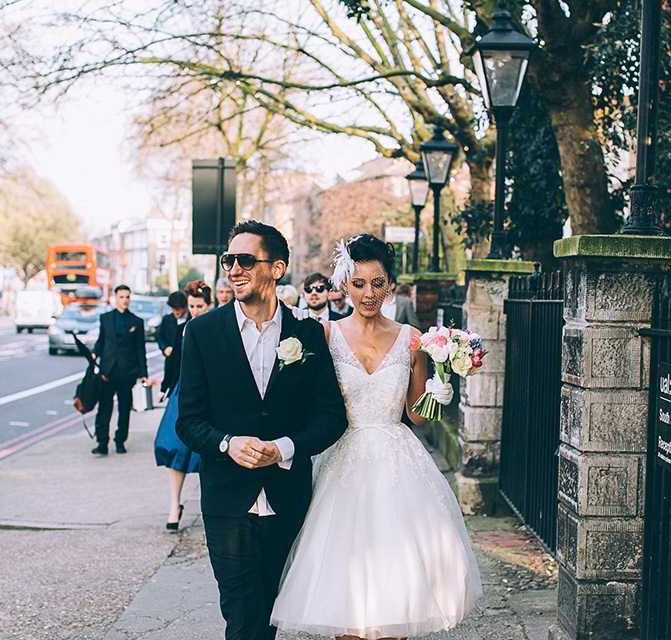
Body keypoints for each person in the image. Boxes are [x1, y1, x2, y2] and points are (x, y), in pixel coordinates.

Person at [271, 234, 481, 640]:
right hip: (343, 466)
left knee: (399, 596)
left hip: (399, 467)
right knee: (343, 599)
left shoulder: (412, 339)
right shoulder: (326, 336)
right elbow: (313, 405)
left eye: (378, 283)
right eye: (360, 283)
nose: (369, 293)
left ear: (391, 286)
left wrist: (439, 392)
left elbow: (416, 416)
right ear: (345, 284)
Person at [176, 220, 348, 640]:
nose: (233, 269)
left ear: (276, 268)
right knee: (240, 610)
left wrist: (284, 448)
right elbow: (188, 420)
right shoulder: (201, 333)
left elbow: (331, 418)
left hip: (286, 496)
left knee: (271, 608)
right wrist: (227, 443)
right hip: (227, 497)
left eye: (245, 260)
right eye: (228, 260)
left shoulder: (307, 335)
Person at [154, 281, 212, 531]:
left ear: (209, 305)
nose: (195, 310)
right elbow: (174, 363)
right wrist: (165, 387)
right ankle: (173, 505)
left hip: (212, 392)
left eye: (200, 306)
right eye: (191, 306)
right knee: (174, 446)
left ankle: (209, 505)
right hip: (182, 390)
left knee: (207, 452)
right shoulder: (183, 329)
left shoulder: (216, 327)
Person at [92, 284, 148, 455]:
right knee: (104, 408)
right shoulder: (105, 318)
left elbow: (140, 349)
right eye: (122, 297)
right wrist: (95, 353)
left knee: (124, 409)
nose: (125, 300)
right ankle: (102, 442)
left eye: (127, 297)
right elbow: (102, 341)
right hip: (107, 370)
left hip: (127, 372)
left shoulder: (136, 322)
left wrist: (143, 374)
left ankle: (120, 441)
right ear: (115, 298)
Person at [157, 290, 189, 396]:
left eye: (178, 309)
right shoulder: (167, 319)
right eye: (172, 309)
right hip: (171, 362)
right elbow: (160, 336)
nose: (175, 312)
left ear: (185, 307)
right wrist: (165, 347)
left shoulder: (190, 320)